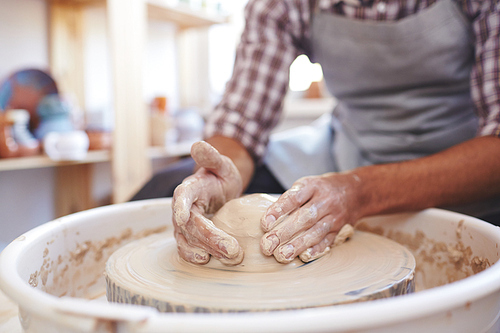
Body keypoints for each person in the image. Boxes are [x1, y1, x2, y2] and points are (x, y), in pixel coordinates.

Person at [132, 0, 500, 266]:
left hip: (464, 155)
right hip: (351, 146)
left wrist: (359, 191)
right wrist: (218, 176)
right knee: (168, 187)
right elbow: (240, 124)